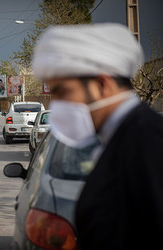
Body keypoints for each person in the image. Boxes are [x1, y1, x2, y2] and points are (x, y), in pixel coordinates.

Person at [32, 23, 163, 249]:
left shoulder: (147, 140)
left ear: (102, 84)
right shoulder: (117, 139)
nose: (58, 105)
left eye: (63, 92)